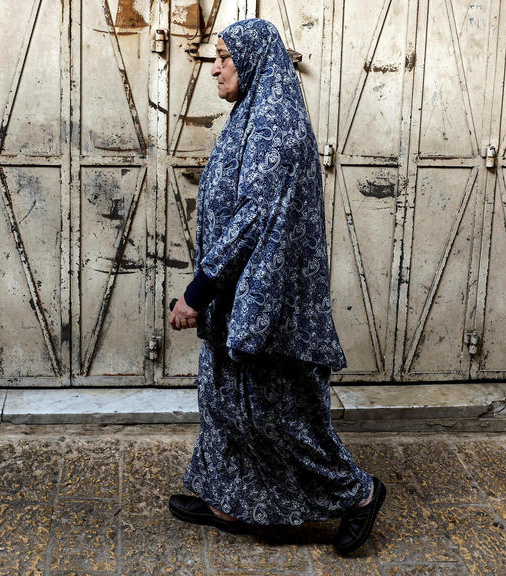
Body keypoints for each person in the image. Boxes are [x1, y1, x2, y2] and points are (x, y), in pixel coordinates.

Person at [165, 18, 385, 555]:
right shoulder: (249, 116)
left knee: (276, 416)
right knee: (221, 402)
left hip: (265, 304)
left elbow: (251, 221)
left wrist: (197, 293)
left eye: (223, 57)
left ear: (254, 59)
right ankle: (228, 498)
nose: (214, 67)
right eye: (214, 57)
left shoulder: (275, 126)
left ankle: (357, 494)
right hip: (235, 296)